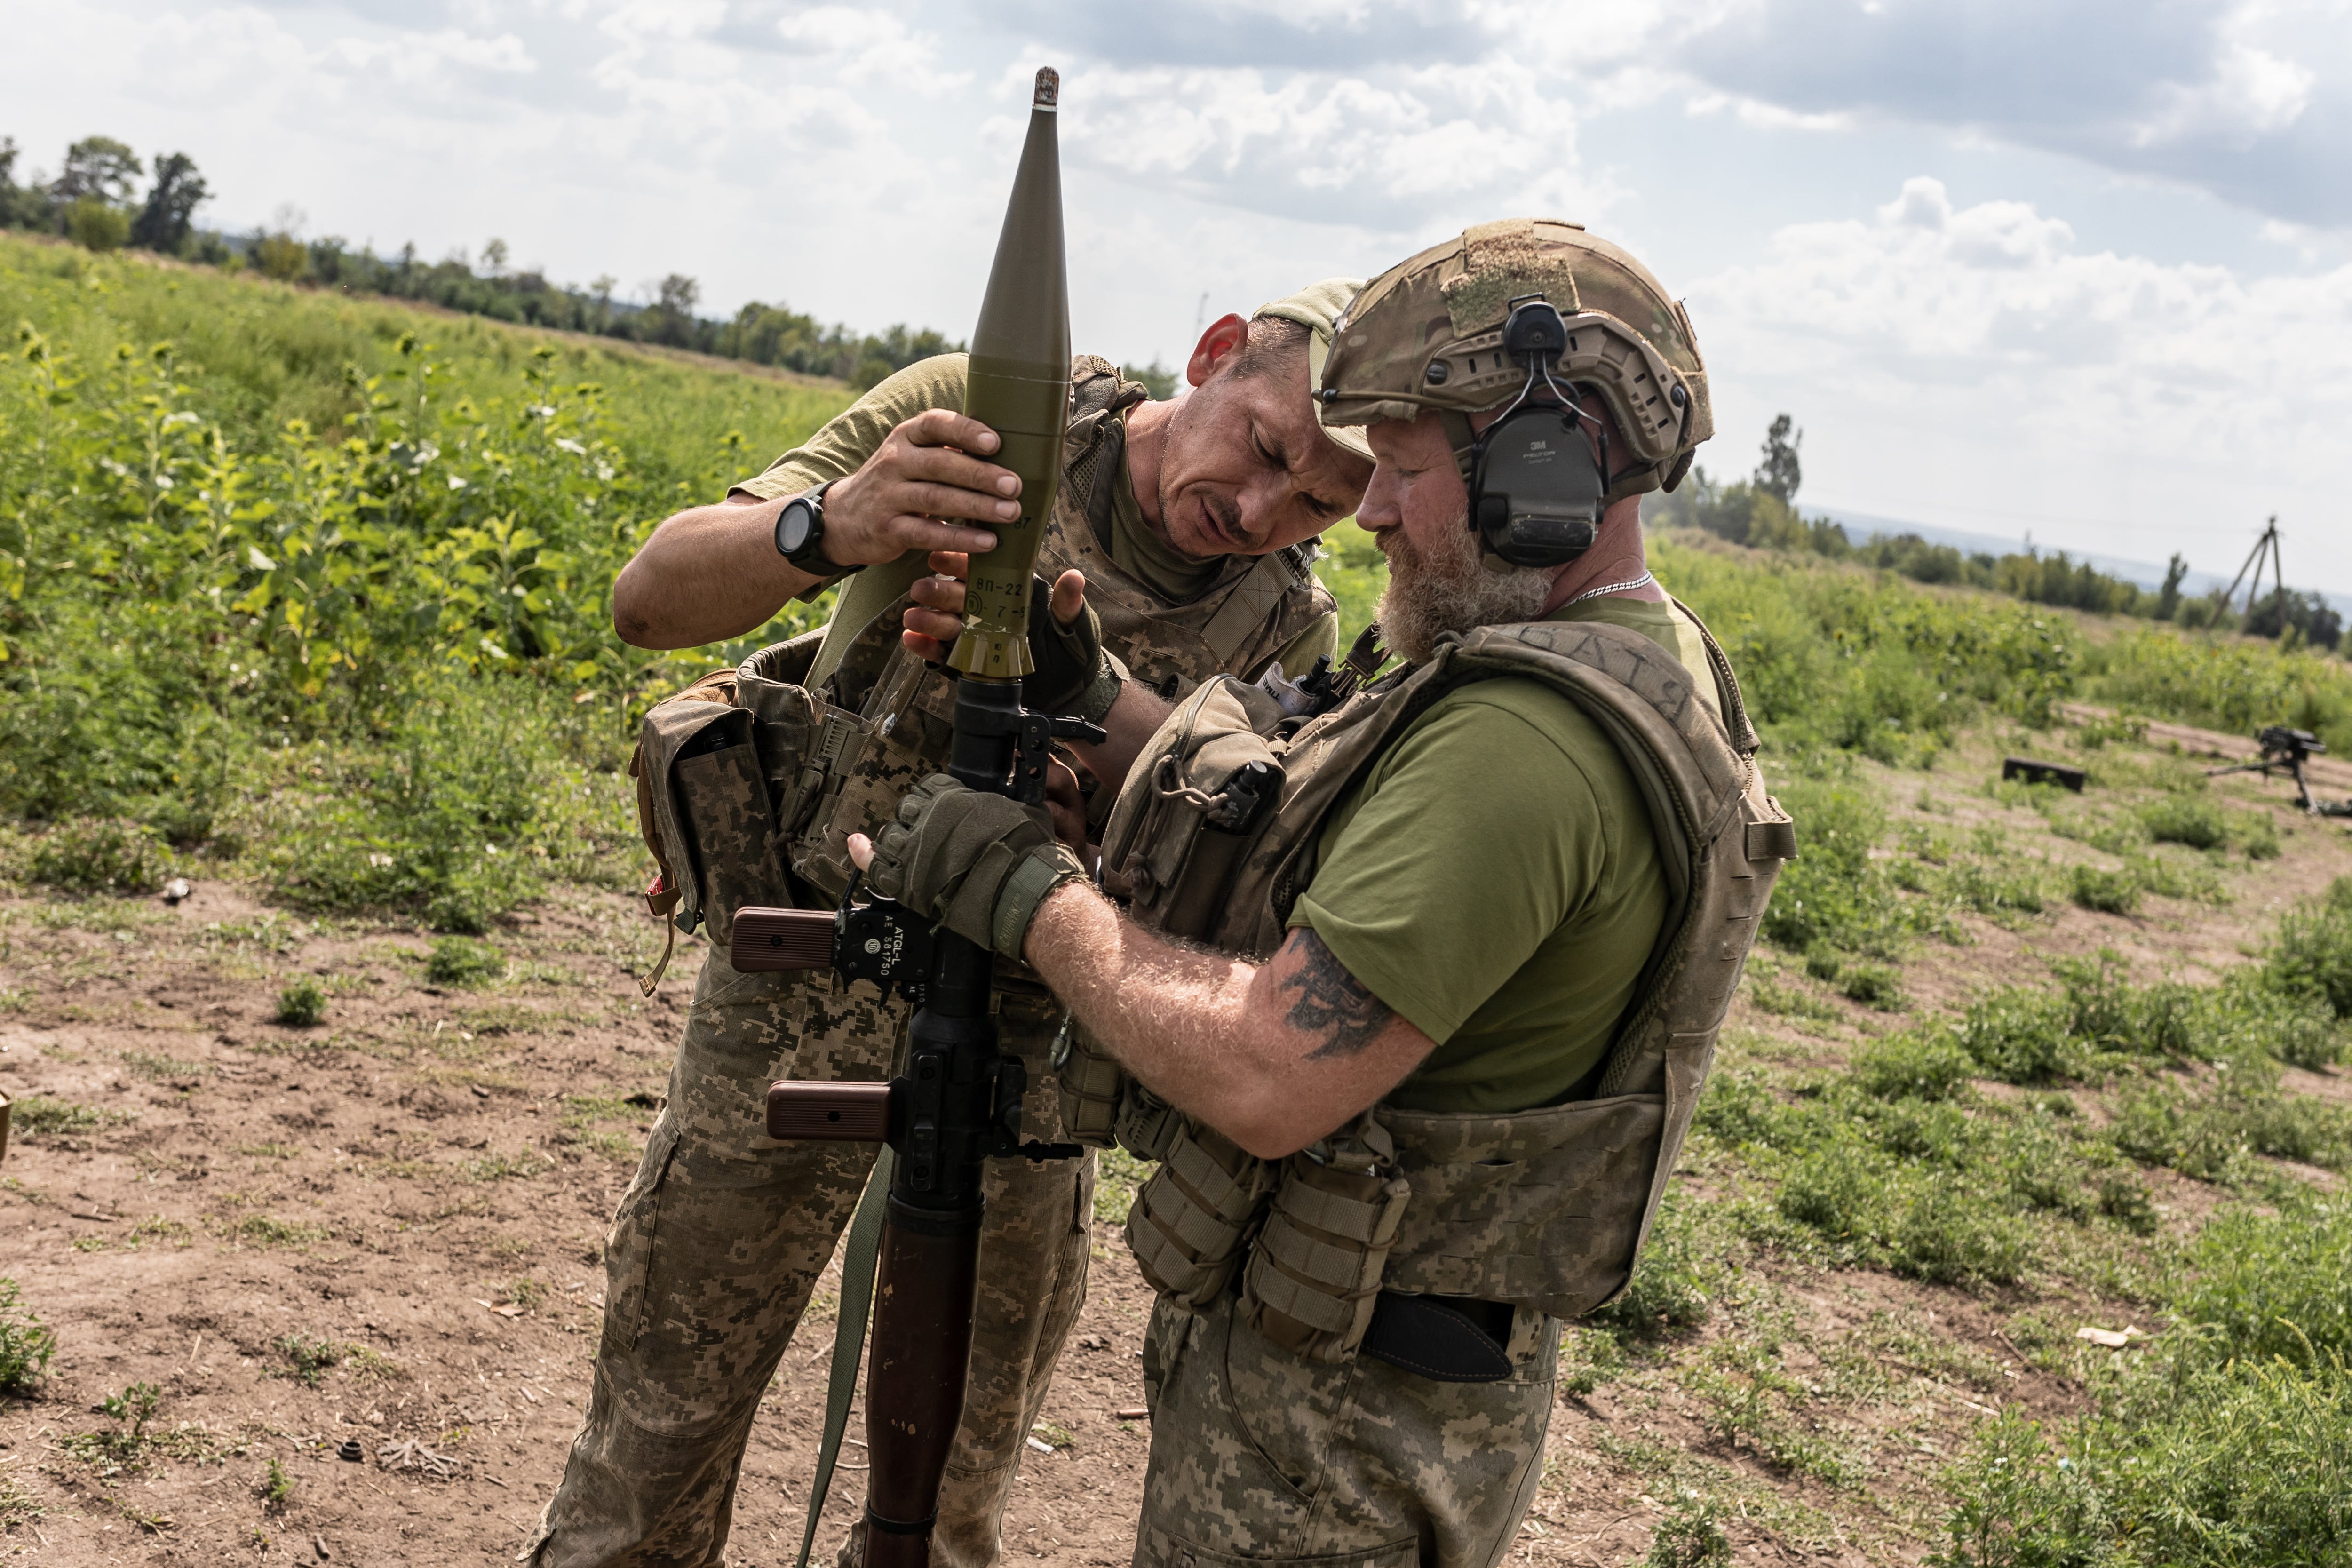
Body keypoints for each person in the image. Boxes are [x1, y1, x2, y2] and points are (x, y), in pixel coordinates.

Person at [850, 219, 1794, 1568]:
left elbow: (1270, 1072)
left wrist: (1027, 892)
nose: (1372, 513)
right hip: (1389, 1391)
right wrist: (1089, 695)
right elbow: (1297, 810)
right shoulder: (1631, 655)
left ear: (1551, 458)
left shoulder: (1524, 741)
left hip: (1329, 1444)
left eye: (1404, 469)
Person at [525, 282, 1375, 1568]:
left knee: (952, 1493)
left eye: (1318, 500)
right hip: (801, 996)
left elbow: (1216, 892)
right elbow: (649, 599)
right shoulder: (971, 422)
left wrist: (1089, 826)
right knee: (656, 1443)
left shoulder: (1282, 619)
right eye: (1264, 449)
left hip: (1028, 1060)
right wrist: (837, 524)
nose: (1262, 513)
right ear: (1211, 358)